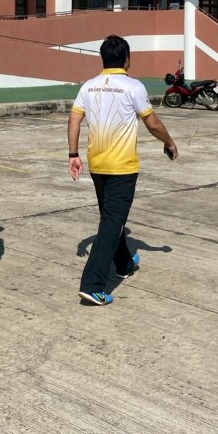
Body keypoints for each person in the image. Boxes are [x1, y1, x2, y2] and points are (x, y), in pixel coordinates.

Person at [67, 35, 179, 305]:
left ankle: (125, 264)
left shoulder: (89, 86)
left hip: (97, 165)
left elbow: (74, 119)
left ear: (102, 59)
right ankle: (92, 284)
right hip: (122, 168)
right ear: (127, 59)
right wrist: (169, 142)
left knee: (111, 218)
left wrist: (73, 154)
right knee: (111, 223)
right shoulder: (133, 87)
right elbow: (152, 123)